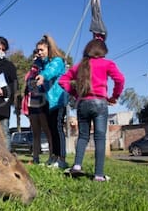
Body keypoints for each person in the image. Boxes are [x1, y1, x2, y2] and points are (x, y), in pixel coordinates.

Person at [59, 38, 125, 181]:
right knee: (100, 138)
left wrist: (76, 94)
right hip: (100, 102)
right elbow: (120, 79)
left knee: (83, 136)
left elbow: (62, 80)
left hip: (82, 103)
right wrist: (114, 96)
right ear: (103, 51)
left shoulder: (80, 66)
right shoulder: (107, 63)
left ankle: (76, 166)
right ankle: (99, 175)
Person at [35, 35, 69, 168]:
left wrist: (43, 75)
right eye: (38, 50)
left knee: (58, 129)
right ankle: (54, 157)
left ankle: (62, 158)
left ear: (49, 49)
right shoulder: (43, 65)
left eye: (42, 50)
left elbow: (51, 71)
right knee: (51, 129)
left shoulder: (57, 61)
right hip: (49, 101)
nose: (39, 53)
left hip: (59, 100)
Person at [22, 50, 53, 164]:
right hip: (32, 105)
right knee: (35, 133)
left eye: (37, 58)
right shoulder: (30, 73)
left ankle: (51, 157)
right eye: (34, 58)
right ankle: (35, 158)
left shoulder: (44, 70)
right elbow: (28, 88)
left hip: (44, 104)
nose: (36, 60)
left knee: (47, 131)